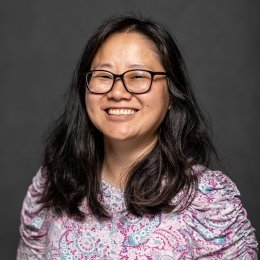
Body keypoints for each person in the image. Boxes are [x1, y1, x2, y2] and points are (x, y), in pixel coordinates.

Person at [17, 15, 258, 259]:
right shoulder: (52, 185)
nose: (118, 92)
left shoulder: (208, 201)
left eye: (138, 76)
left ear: (171, 95)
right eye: (103, 76)